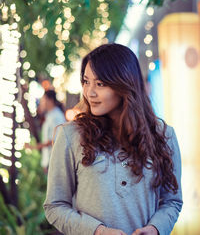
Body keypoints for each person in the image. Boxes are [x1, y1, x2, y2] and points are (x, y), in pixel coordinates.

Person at [44, 43, 183, 235]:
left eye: (100, 84)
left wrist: (155, 229)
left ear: (124, 85)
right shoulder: (71, 135)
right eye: (86, 81)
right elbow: (55, 205)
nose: (89, 92)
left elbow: (172, 201)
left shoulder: (163, 135)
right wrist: (96, 231)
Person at [26, 90, 66, 172]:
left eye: (43, 100)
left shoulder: (56, 116)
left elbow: (54, 140)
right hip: (50, 161)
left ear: (50, 100)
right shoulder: (50, 115)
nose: (42, 103)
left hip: (54, 162)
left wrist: (33, 147)